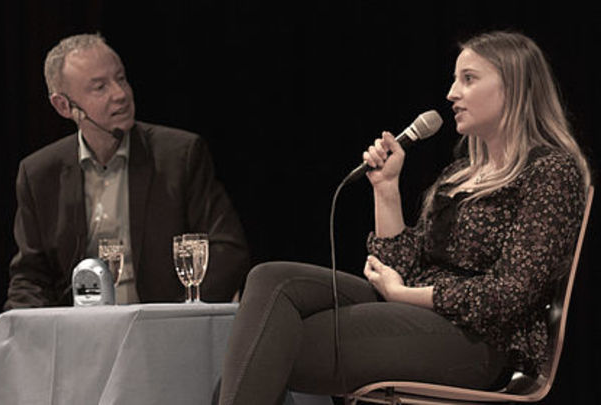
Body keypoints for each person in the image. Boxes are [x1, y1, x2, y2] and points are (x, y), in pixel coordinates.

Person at [217, 31, 591, 404]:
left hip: (479, 342)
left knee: (261, 354)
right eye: (454, 79)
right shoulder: (460, 174)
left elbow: (511, 294)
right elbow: (402, 266)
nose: (451, 94)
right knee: (269, 280)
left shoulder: (550, 172)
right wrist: (386, 188)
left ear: (514, 87)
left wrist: (406, 295)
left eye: (469, 79)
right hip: (420, 313)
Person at [4, 33, 249, 308]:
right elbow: (30, 277)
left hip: (163, 329)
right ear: (64, 106)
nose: (120, 94)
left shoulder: (179, 155)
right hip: (81, 337)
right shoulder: (39, 174)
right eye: (100, 87)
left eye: (121, 79)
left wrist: (178, 319)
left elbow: (227, 250)